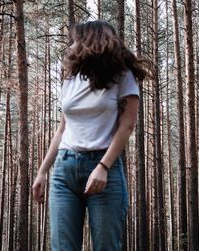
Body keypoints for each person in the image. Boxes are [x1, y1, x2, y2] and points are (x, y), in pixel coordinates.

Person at [32, 20, 153, 251]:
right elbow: (62, 129)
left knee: (106, 247)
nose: (72, 45)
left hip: (103, 170)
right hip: (64, 171)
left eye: (77, 39)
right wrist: (42, 171)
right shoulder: (70, 78)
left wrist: (104, 167)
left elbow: (127, 126)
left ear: (92, 41)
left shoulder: (122, 75)